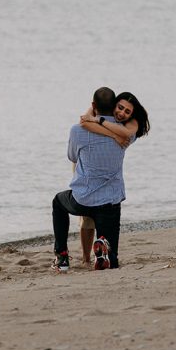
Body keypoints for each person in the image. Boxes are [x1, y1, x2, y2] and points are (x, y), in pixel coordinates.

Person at [52, 87, 144, 272]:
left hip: (82, 200)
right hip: (110, 204)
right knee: (113, 260)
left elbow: (72, 156)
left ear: (94, 105)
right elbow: (120, 129)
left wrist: (91, 113)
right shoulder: (125, 134)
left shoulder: (77, 130)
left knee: (58, 202)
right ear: (113, 108)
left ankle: (61, 257)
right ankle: (104, 251)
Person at [74, 91, 150, 265]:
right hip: (86, 164)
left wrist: (99, 121)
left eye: (127, 111)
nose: (122, 113)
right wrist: (112, 134)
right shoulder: (107, 116)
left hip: (103, 167)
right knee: (86, 216)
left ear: (133, 114)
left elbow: (125, 134)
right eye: (120, 107)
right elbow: (84, 121)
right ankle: (86, 258)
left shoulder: (132, 124)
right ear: (113, 104)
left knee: (96, 213)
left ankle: (100, 252)